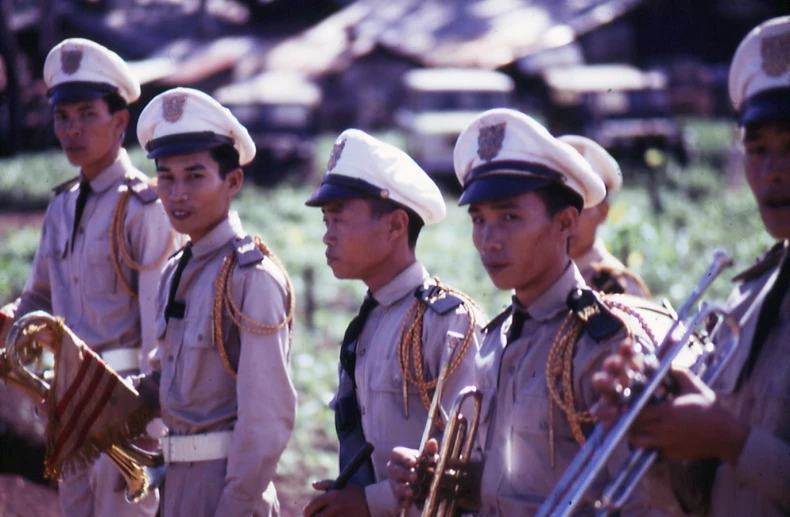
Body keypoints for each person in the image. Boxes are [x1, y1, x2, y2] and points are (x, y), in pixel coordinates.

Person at [386, 108, 669, 516]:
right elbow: (514, 478)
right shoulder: (496, 339)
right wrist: (452, 478)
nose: (488, 240)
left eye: (509, 217)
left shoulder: (603, 344)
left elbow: (642, 498)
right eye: (479, 219)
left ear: (566, 222)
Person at [592, 16, 790, 517]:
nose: (774, 171)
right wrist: (656, 427)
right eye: (758, 149)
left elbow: (738, 448)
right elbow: (709, 495)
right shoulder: (751, 298)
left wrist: (730, 439)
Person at [0, 38, 173, 517]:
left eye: (86, 115)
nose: (72, 130)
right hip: (68, 408)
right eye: (62, 117)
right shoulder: (61, 206)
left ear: (120, 122)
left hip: (124, 408)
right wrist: (12, 319)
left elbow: (159, 330)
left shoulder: (143, 208)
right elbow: (39, 295)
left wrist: (146, 422)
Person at [302, 129, 484, 517]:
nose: (327, 236)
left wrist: (368, 502)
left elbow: (469, 464)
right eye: (325, 220)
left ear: (396, 226)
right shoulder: (366, 324)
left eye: (338, 220)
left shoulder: (447, 322)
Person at [134, 87, 297, 516]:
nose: (177, 192)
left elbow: (267, 419)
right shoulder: (176, 269)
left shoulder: (252, 278)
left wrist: (237, 505)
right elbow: (167, 380)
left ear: (233, 182)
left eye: (194, 175)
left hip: (227, 486)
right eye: (166, 176)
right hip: (176, 482)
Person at [561, 135, 651, 297]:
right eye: (559, 207)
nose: (568, 220)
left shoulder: (618, 286)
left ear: (603, 213)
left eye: (581, 209)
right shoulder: (535, 277)